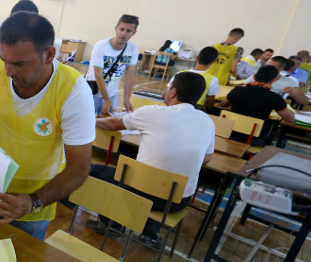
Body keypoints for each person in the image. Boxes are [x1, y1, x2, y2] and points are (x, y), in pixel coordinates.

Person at [0, 12, 95, 240]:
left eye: (20, 64)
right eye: (5, 60)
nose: (9, 72)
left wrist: (33, 202)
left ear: (49, 55)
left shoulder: (74, 91)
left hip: (36, 199)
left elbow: (79, 168)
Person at [87, 72, 215, 249]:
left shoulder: (153, 112)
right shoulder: (207, 122)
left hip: (140, 193)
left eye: (168, 87)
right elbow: (207, 159)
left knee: (97, 171)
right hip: (178, 201)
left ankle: (112, 224)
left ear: (172, 92)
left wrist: (90, 119)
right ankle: (149, 234)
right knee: (161, 178)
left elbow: (112, 124)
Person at [222, 66, 296, 146]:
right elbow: (291, 119)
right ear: (272, 80)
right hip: (253, 138)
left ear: (254, 77)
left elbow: (223, 104)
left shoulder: (237, 90)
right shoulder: (274, 97)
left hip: (229, 132)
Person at [85, 14, 140, 115]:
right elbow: (98, 74)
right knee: (86, 123)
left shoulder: (133, 49)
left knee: (105, 125)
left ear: (134, 32)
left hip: (112, 94)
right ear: (116, 28)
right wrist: (106, 99)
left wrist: (127, 99)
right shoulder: (101, 46)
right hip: (93, 93)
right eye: (121, 29)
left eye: (128, 31)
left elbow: (130, 75)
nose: (123, 34)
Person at [245, 56, 309, 105]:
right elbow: (242, 89)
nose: (268, 68)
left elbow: (305, 101)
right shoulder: (256, 77)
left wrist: (294, 94)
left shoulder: (290, 82)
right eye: (268, 65)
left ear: (281, 69)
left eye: (272, 67)